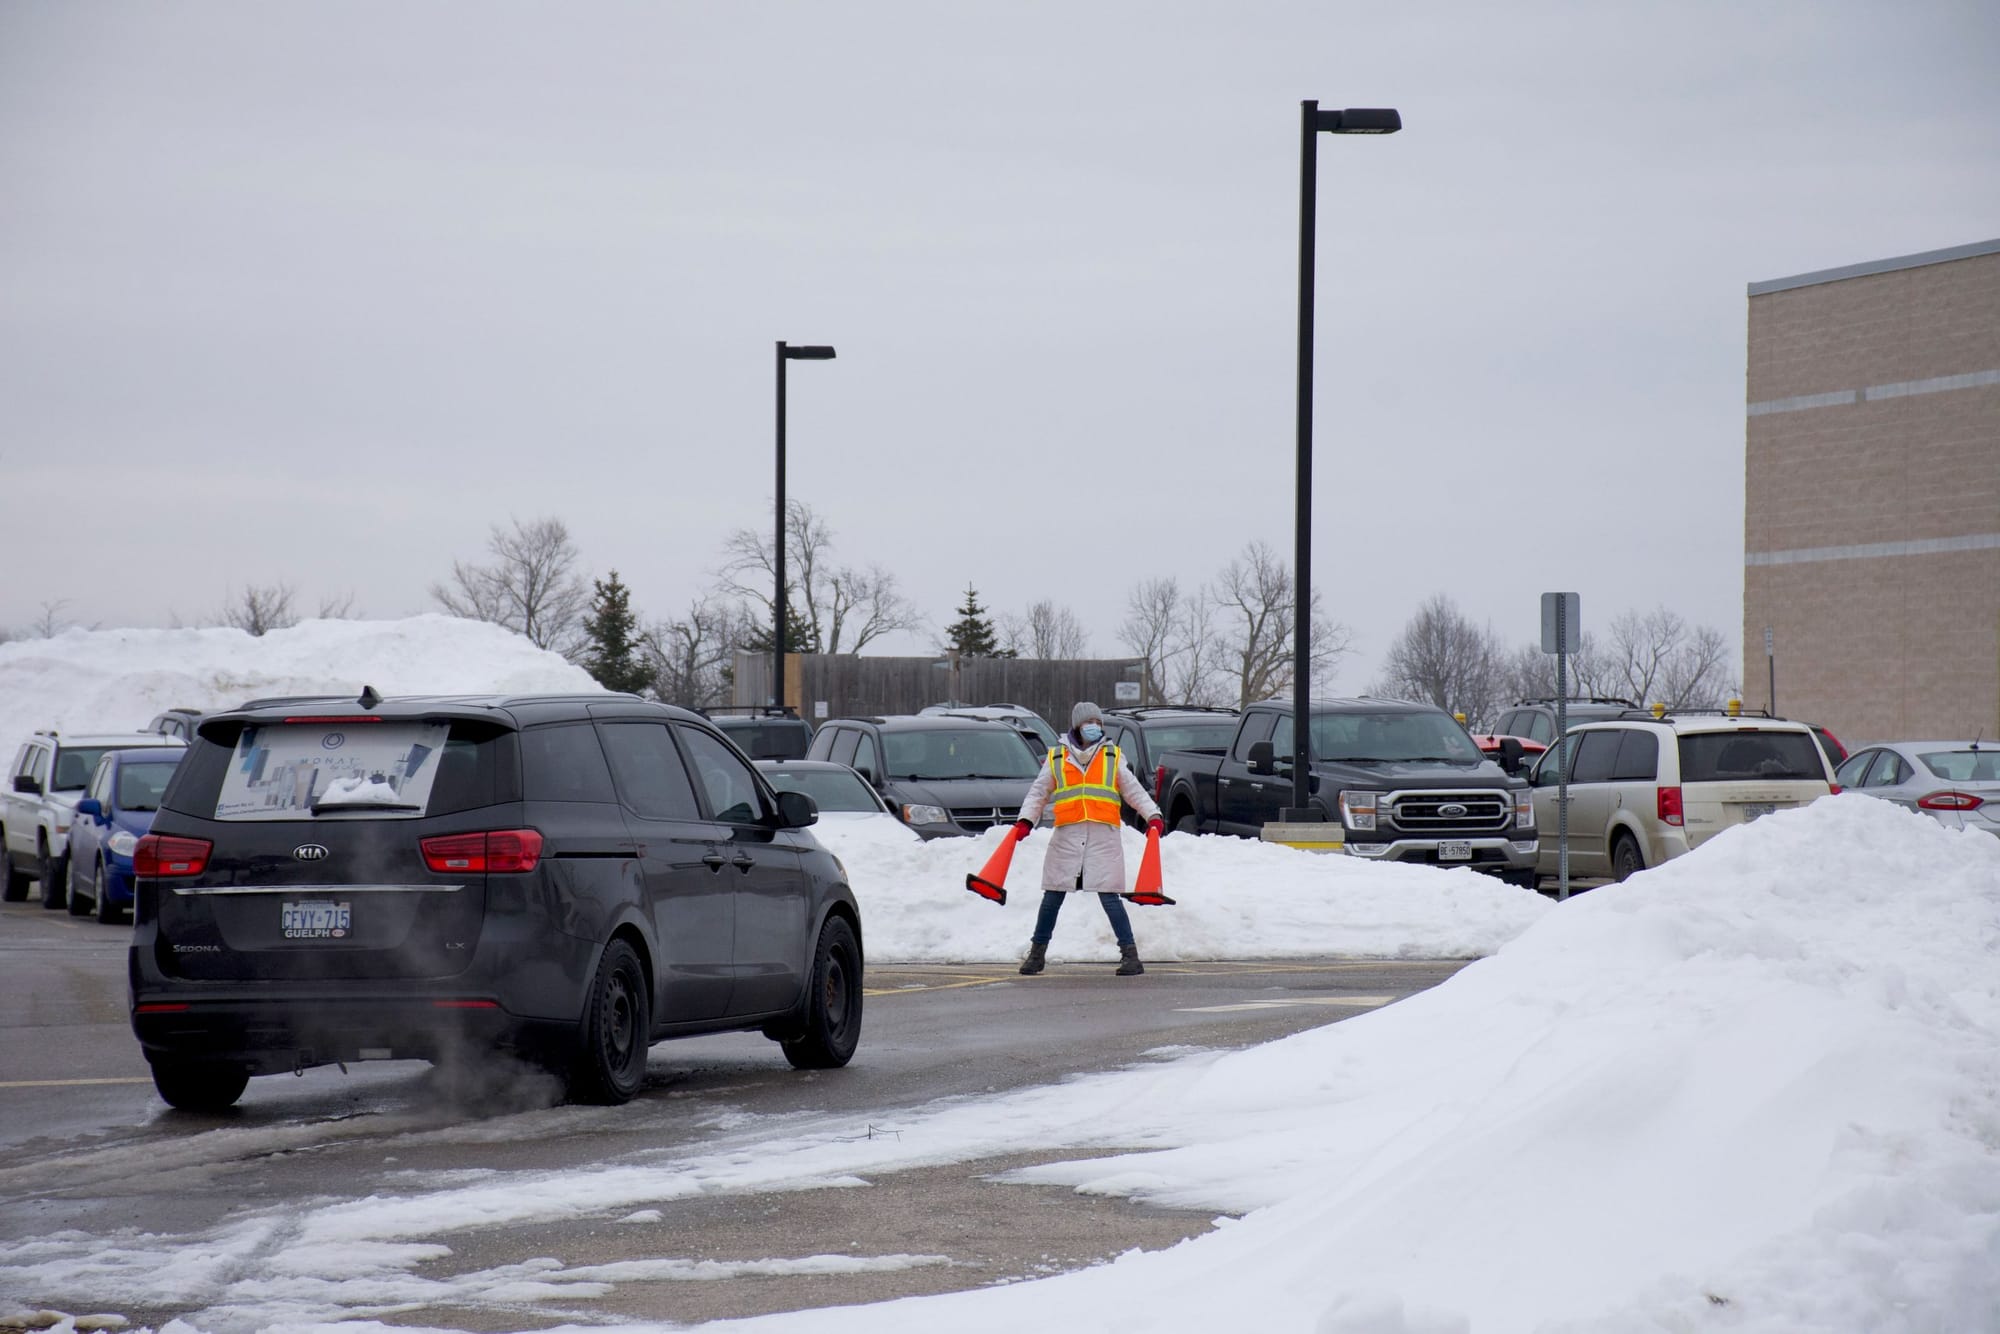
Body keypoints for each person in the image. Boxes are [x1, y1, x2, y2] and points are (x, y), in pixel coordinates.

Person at [1008, 701, 1164, 977]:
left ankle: (1130, 956)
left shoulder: (1112, 756)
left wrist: (1152, 814)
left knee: (1109, 896)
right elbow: (1037, 793)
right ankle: (1037, 955)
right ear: (1077, 725)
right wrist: (1025, 821)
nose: (1095, 726)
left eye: (1098, 722)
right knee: (1053, 896)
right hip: (1068, 837)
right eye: (1089, 721)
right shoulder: (1057, 757)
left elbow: (1134, 791)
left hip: (1103, 838)